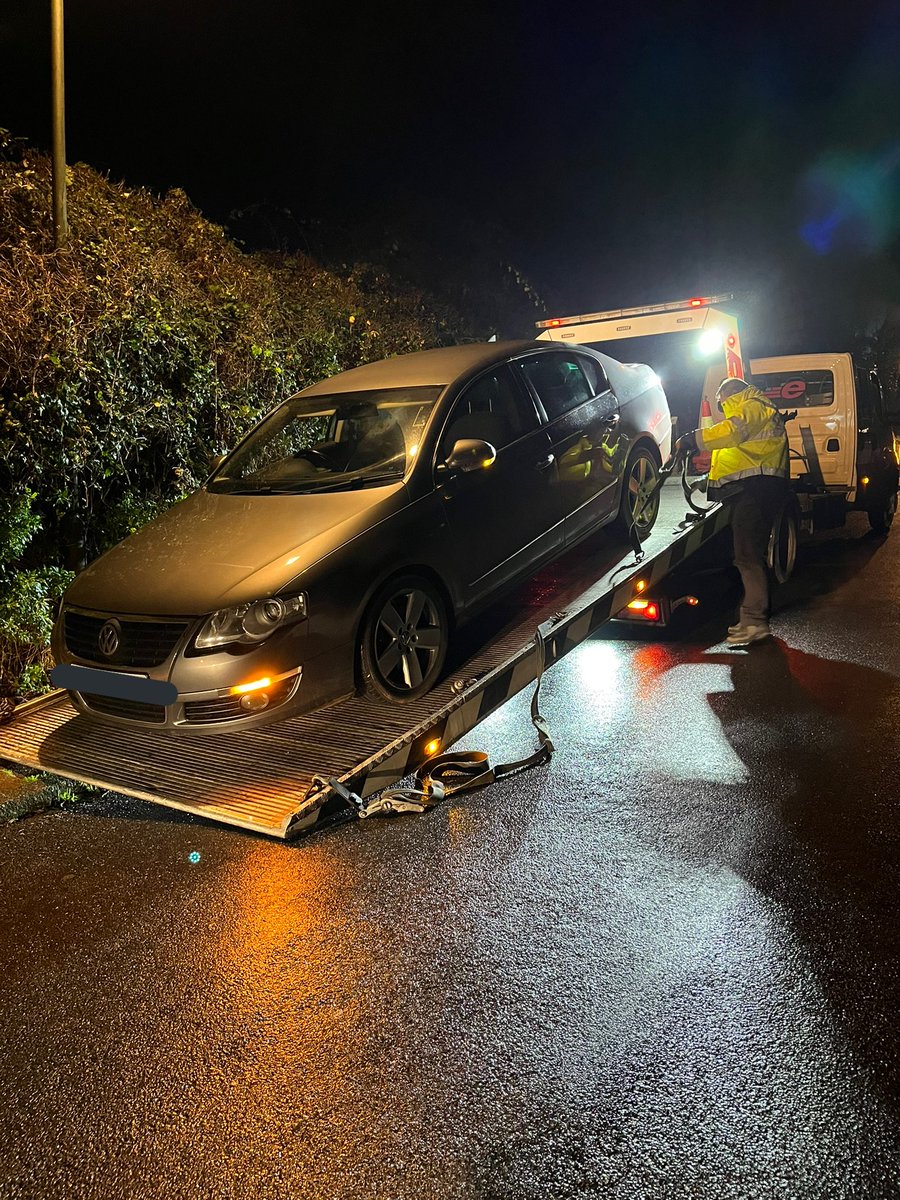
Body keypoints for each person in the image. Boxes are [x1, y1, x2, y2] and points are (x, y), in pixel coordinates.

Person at [676, 376, 790, 647]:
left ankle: (755, 622)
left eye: (722, 405)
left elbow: (731, 432)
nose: (723, 411)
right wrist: (709, 481)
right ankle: (751, 619)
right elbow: (737, 452)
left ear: (729, 397)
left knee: (748, 555)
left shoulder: (751, 406)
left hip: (757, 489)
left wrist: (693, 439)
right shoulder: (757, 408)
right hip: (754, 488)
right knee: (745, 555)